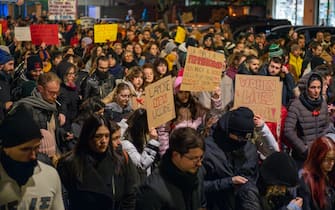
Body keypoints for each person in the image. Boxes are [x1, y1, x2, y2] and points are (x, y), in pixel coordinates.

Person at [57, 114, 138, 210]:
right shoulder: (69, 164)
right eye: (98, 136)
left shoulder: (120, 160)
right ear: (88, 136)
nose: (103, 141)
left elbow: (130, 195)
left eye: (107, 136)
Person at [0, 104, 64, 209]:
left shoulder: (49, 175)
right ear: (6, 149)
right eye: (25, 149)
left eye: (36, 148)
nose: (33, 156)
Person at [201, 107, 261, 210]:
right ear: (229, 131)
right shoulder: (207, 149)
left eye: (246, 138)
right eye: (239, 137)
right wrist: (229, 182)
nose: (242, 141)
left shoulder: (249, 148)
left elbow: (254, 178)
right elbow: (199, 186)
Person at [135, 127, 206, 210]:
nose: (199, 163)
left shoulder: (197, 172)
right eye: (193, 158)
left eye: (201, 157)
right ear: (176, 155)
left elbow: (201, 202)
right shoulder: (151, 190)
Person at [284, 72, 330, 167]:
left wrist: (323, 144)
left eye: (319, 87)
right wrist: (304, 149)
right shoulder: (296, 105)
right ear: (306, 88)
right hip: (303, 156)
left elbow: (326, 125)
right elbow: (288, 131)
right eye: (313, 87)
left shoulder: (323, 103)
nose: (316, 91)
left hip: (320, 153)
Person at [298, 136, 335, 210]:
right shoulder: (306, 180)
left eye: (333, 159)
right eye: (326, 160)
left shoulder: (331, 174)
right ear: (317, 158)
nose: (331, 163)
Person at [0, 46, 14, 123]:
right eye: (10, 64)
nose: (12, 68)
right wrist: (3, 106)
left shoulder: (6, 78)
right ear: (1, 65)